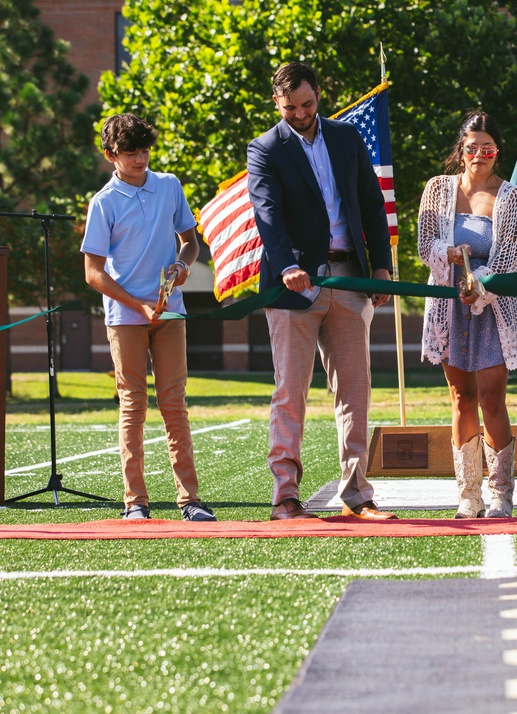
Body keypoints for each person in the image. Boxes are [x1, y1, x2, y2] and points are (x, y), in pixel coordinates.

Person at [246, 62, 397, 521]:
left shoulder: (348, 138)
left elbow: (372, 205)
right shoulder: (265, 149)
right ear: (277, 103)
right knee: (290, 392)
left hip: (350, 280)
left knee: (355, 391)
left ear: (319, 96)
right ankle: (286, 498)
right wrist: (288, 265)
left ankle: (357, 496)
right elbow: (267, 215)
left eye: (307, 104)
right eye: (290, 107)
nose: (300, 113)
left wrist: (383, 268)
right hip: (294, 288)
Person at [81, 114, 216, 522]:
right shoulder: (102, 203)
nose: (140, 159)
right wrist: (137, 305)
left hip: (171, 312)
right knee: (133, 405)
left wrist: (180, 265)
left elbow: (190, 242)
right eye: (130, 153)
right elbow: (93, 273)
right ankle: (135, 503)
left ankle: (190, 501)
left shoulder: (169, 185)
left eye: (144, 150)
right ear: (111, 156)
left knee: (174, 404)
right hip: (125, 318)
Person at [418, 111, 517, 518]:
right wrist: (444, 254)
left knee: (491, 400)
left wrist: (477, 286)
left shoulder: (512, 197)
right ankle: (468, 494)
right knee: (461, 398)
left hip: (493, 307)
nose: (479, 155)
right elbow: (424, 245)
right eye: (471, 148)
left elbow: (507, 257)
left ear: (497, 152)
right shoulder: (436, 189)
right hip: (449, 308)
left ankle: (501, 493)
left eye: (488, 148)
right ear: (460, 151)